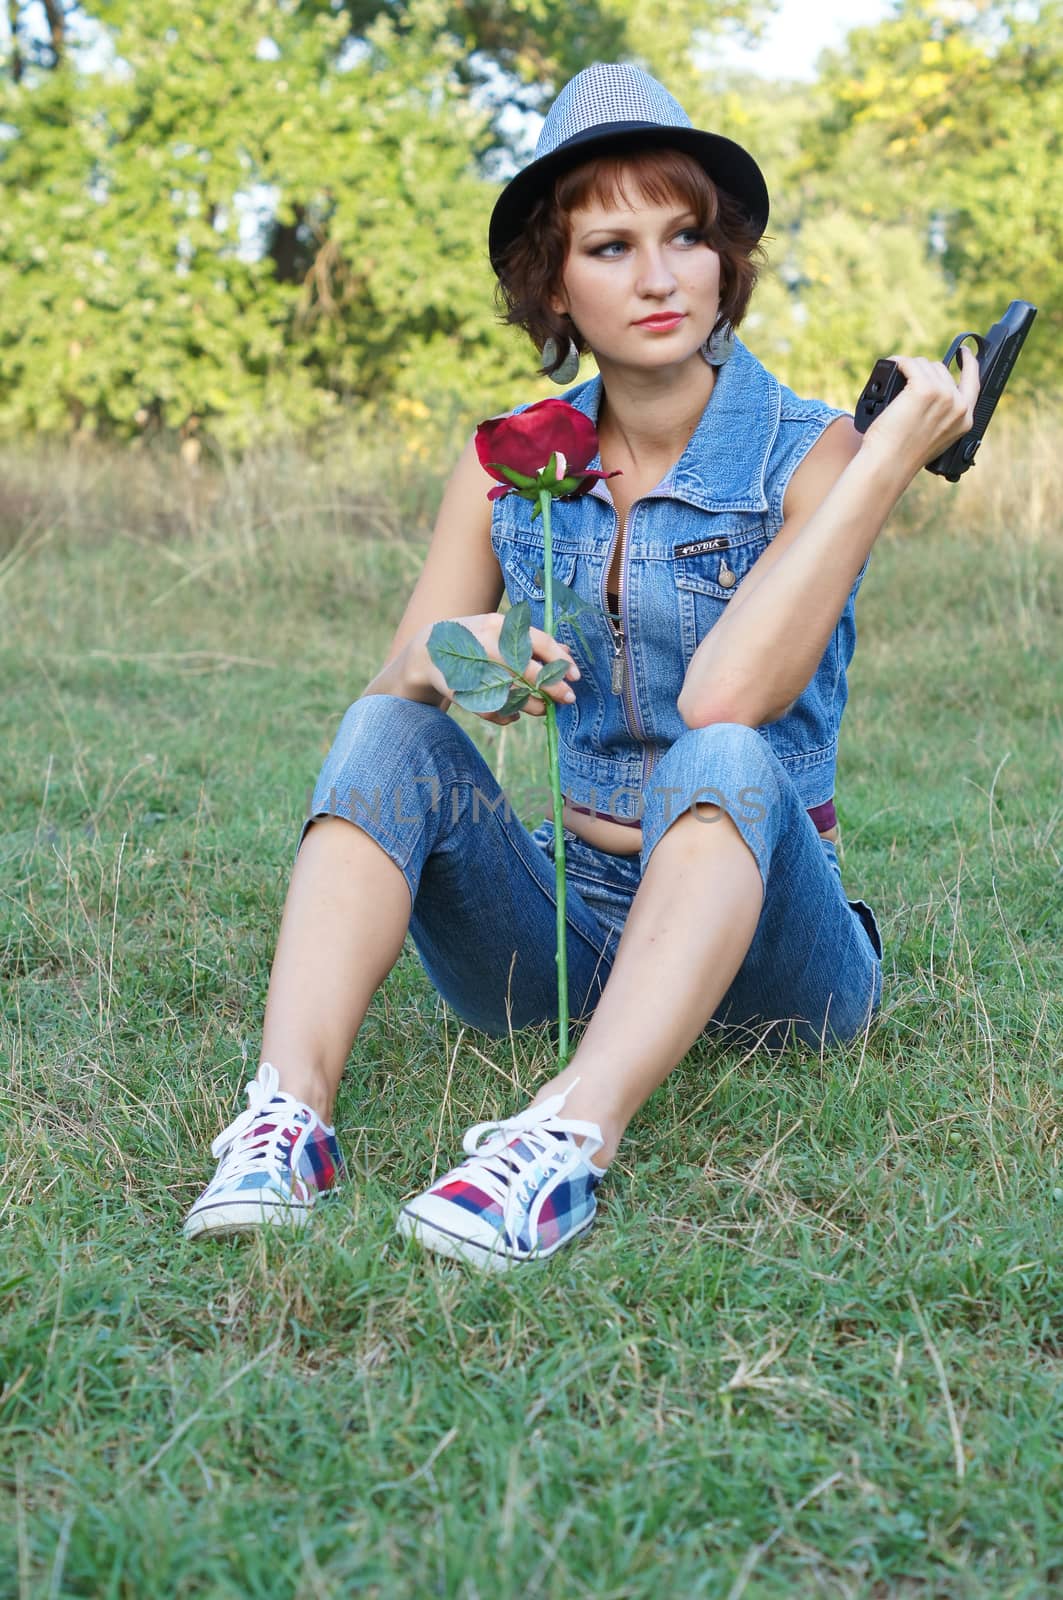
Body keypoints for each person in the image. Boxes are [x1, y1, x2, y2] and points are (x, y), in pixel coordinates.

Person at [183, 64, 977, 1266]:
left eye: (685, 237)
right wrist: (465, 654)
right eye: (609, 247)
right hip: (564, 932)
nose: (658, 277)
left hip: (775, 954)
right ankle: (287, 1118)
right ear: (551, 281)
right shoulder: (511, 458)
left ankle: (560, 1143)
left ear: (725, 262)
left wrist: (879, 465)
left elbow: (724, 702)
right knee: (380, 732)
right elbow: (401, 672)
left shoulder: (813, 454)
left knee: (720, 751)